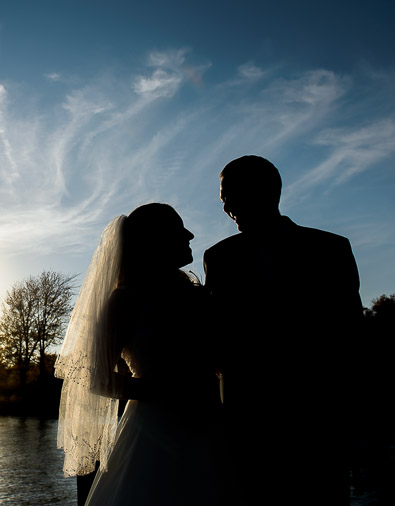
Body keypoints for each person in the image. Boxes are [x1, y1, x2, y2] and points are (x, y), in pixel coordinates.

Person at [203, 155, 362, 505]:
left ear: (265, 191)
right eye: (222, 199)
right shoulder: (218, 257)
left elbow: (352, 342)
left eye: (229, 194)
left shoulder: (330, 249)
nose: (226, 205)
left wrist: (360, 436)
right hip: (244, 429)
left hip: (318, 428)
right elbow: (214, 339)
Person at [56, 203, 222, 506]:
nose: (190, 234)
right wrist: (167, 390)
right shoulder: (125, 299)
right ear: (154, 240)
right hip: (154, 431)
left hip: (212, 423)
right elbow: (96, 380)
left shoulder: (197, 295)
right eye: (178, 229)